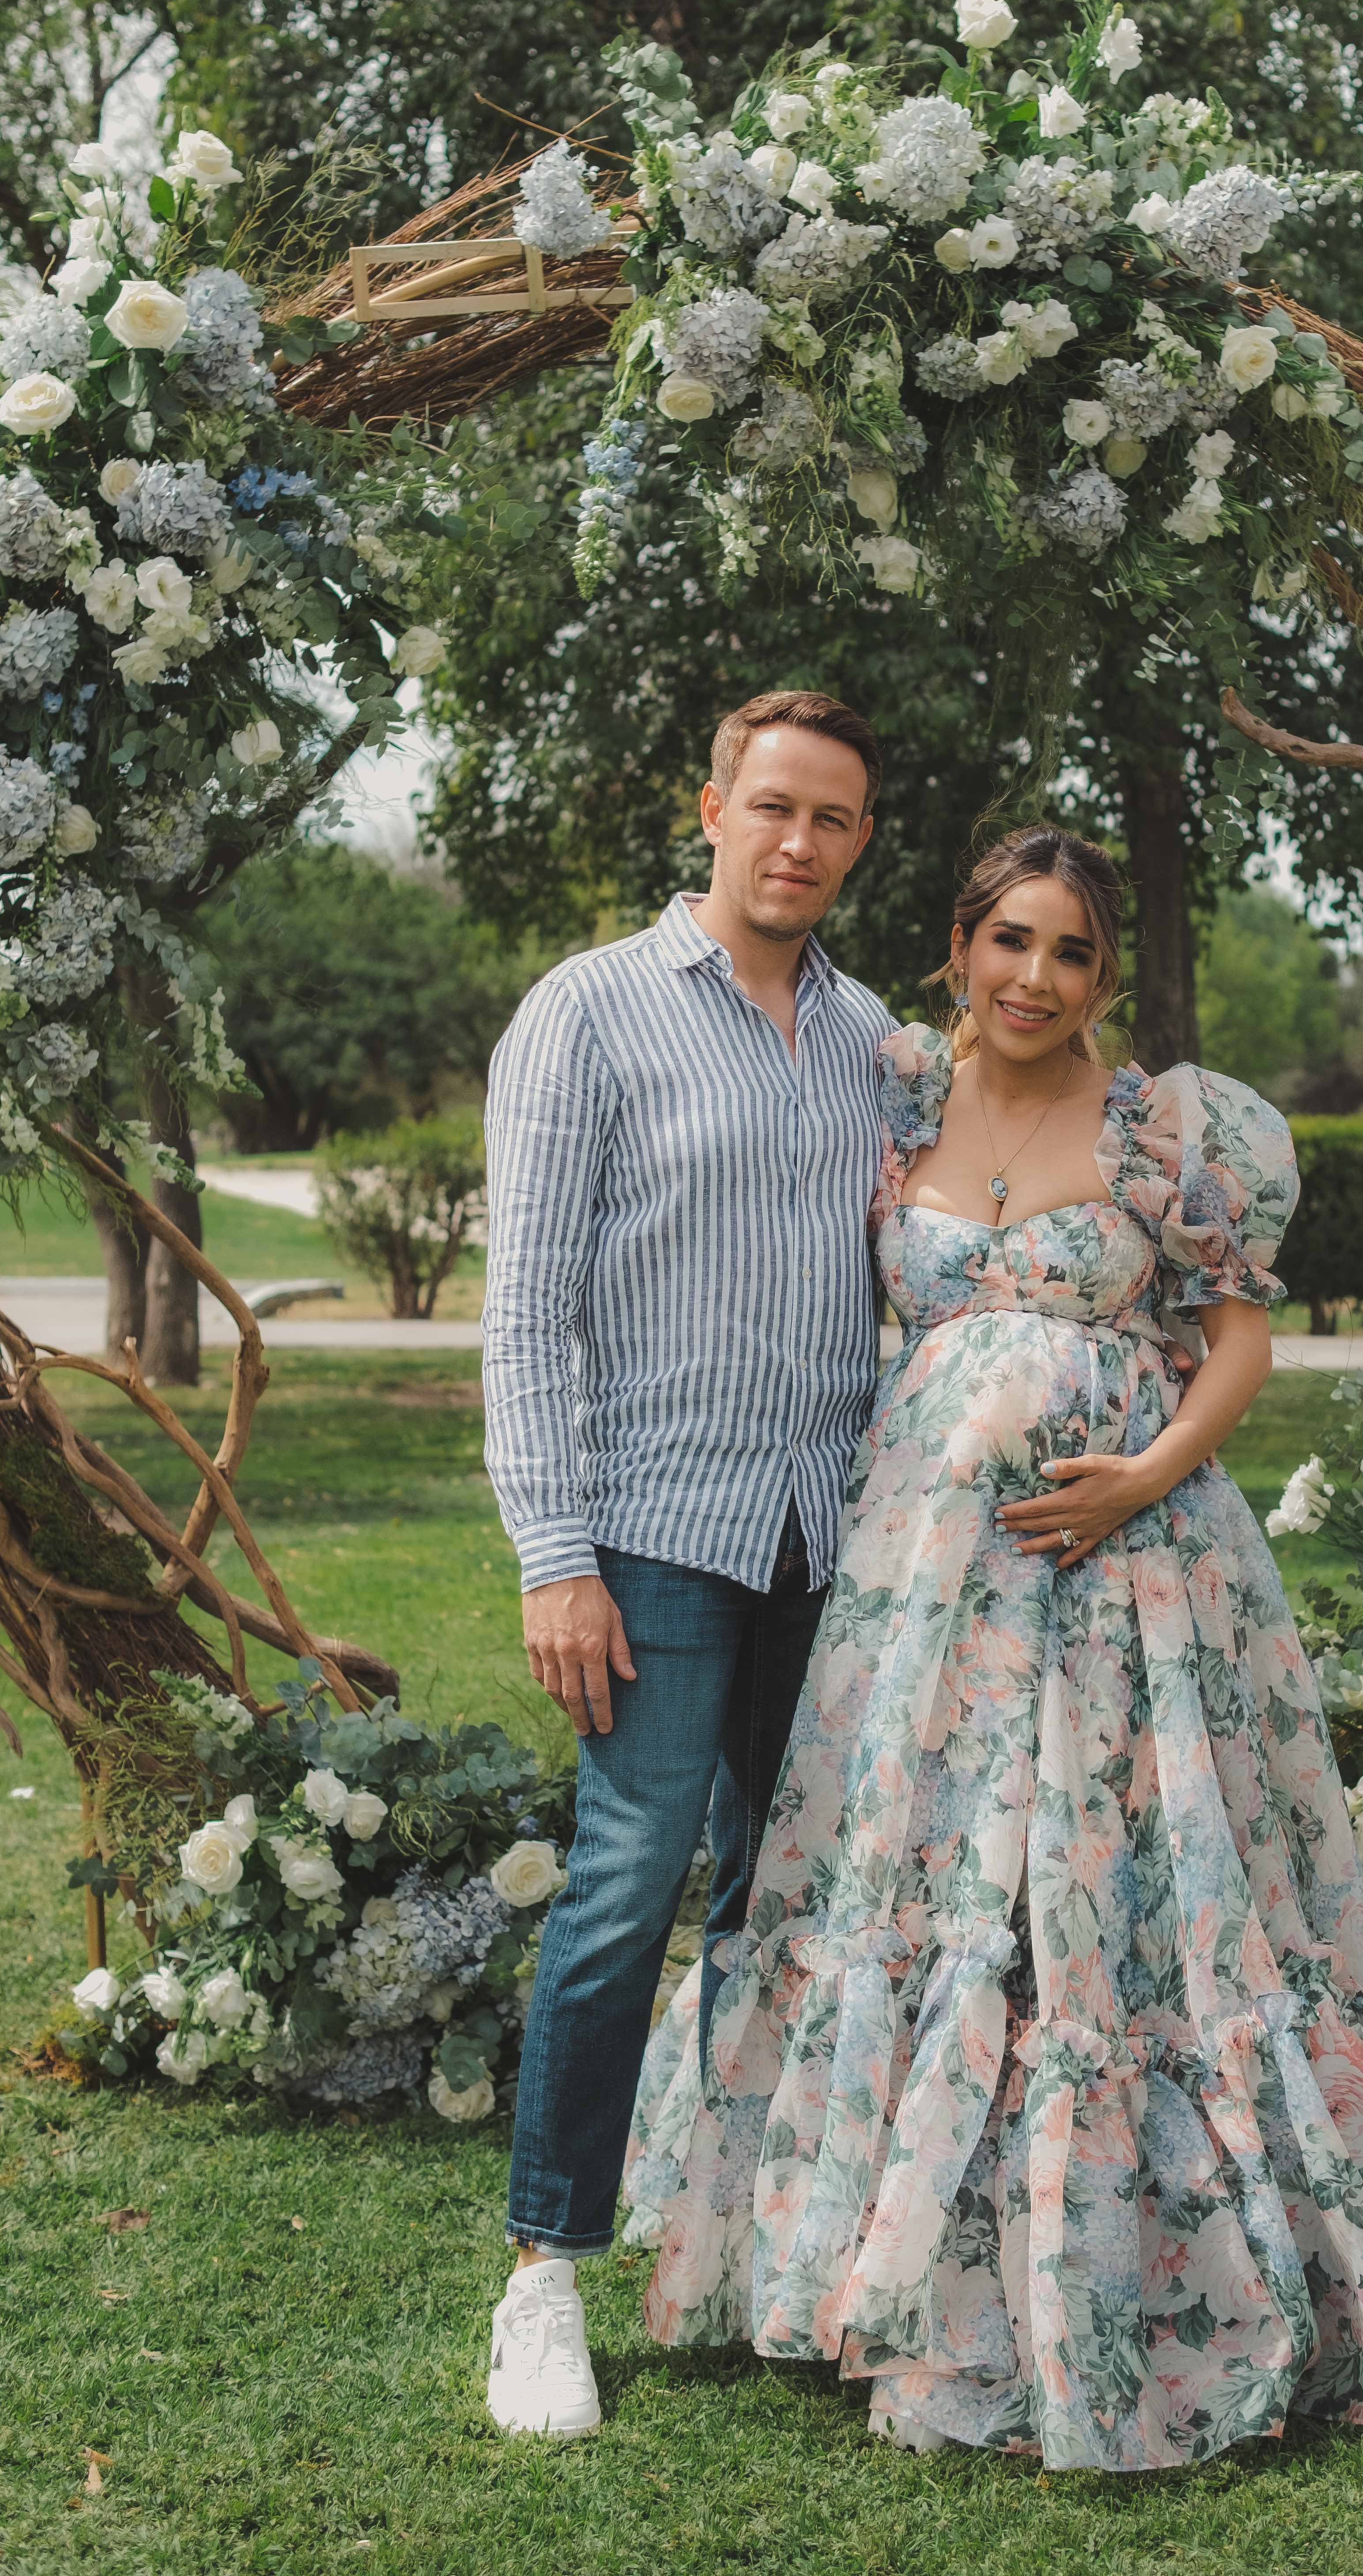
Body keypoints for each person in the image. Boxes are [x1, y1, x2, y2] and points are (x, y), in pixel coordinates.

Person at [620, 824, 1363, 2471]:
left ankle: (1161, 2267)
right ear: (962, 947)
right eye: (1010, 942)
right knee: (931, 1890)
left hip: (1134, 1577)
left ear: (1108, 973)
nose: (1038, 978)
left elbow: (1242, 1340)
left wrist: (1143, 1478)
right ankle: (889, 2266)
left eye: (1073, 952)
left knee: (1123, 1908)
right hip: (920, 1591)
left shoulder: (1170, 1128)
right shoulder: (897, 1097)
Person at [478, 688, 895, 2437]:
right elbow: (523, 1312)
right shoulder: (586, 1014)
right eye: (773, 807)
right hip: (651, 1533)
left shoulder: (878, 1038)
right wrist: (548, 1554)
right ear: (709, 806)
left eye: (834, 823)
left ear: (857, 849)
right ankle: (544, 2278)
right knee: (628, 1885)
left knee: (781, 1899)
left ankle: (738, 2238)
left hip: (835, 1532)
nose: (797, 843)